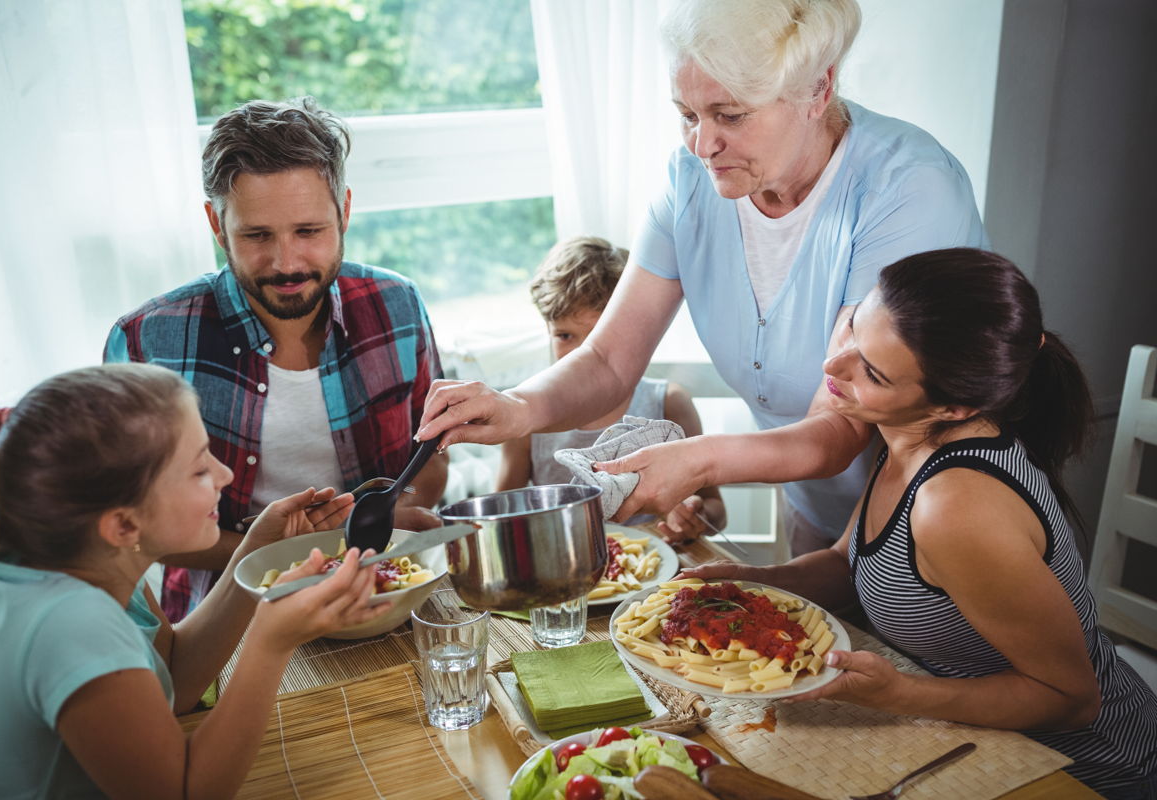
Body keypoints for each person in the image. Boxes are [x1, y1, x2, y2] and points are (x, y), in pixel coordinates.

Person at [415, 0, 988, 557]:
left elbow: (840, 422)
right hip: (823, 512)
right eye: (688, 114)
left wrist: (701, 460)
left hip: (946, 514)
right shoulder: (690, 180)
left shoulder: (907, 191)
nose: (702, 145)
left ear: (818, 88)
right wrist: (516, 407)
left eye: (730, 115)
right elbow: (610, 361)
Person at [681, 249, 1157, 798]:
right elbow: (847, 563)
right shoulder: (906, 432)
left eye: (874, 372)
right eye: (854, 329)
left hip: (1081, 771)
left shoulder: (955, 505)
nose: (834, 368)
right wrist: (745, 582)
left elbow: (1071, 699)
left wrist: (898, 693)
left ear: (951, 407)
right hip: (969, 739)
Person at [0, 363, 391, 798]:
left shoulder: (90, 561)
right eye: (200, 469)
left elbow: (175, 679)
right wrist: (270, 640)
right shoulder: (70, 625)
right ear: (124, 524)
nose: (225, 475)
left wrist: (254, 554)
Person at [106, 97, 446, 622]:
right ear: (217, 227)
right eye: (257, 235)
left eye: (308, 231)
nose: (287, 262)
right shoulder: (146, 341)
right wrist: (291, 553)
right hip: (222, 626)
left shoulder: (397, 304)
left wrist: (395, 515)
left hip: (386, 602)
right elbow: (132, 528)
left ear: (345, 211)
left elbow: (431, 457)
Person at [497, 236, 726, 542]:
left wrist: (695, 517)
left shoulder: (668, 404)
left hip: (660, 577)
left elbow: (716, 509)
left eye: (597, 338)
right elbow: (500, 517)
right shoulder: (527, 422)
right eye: (565, 335)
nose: (581, 354)